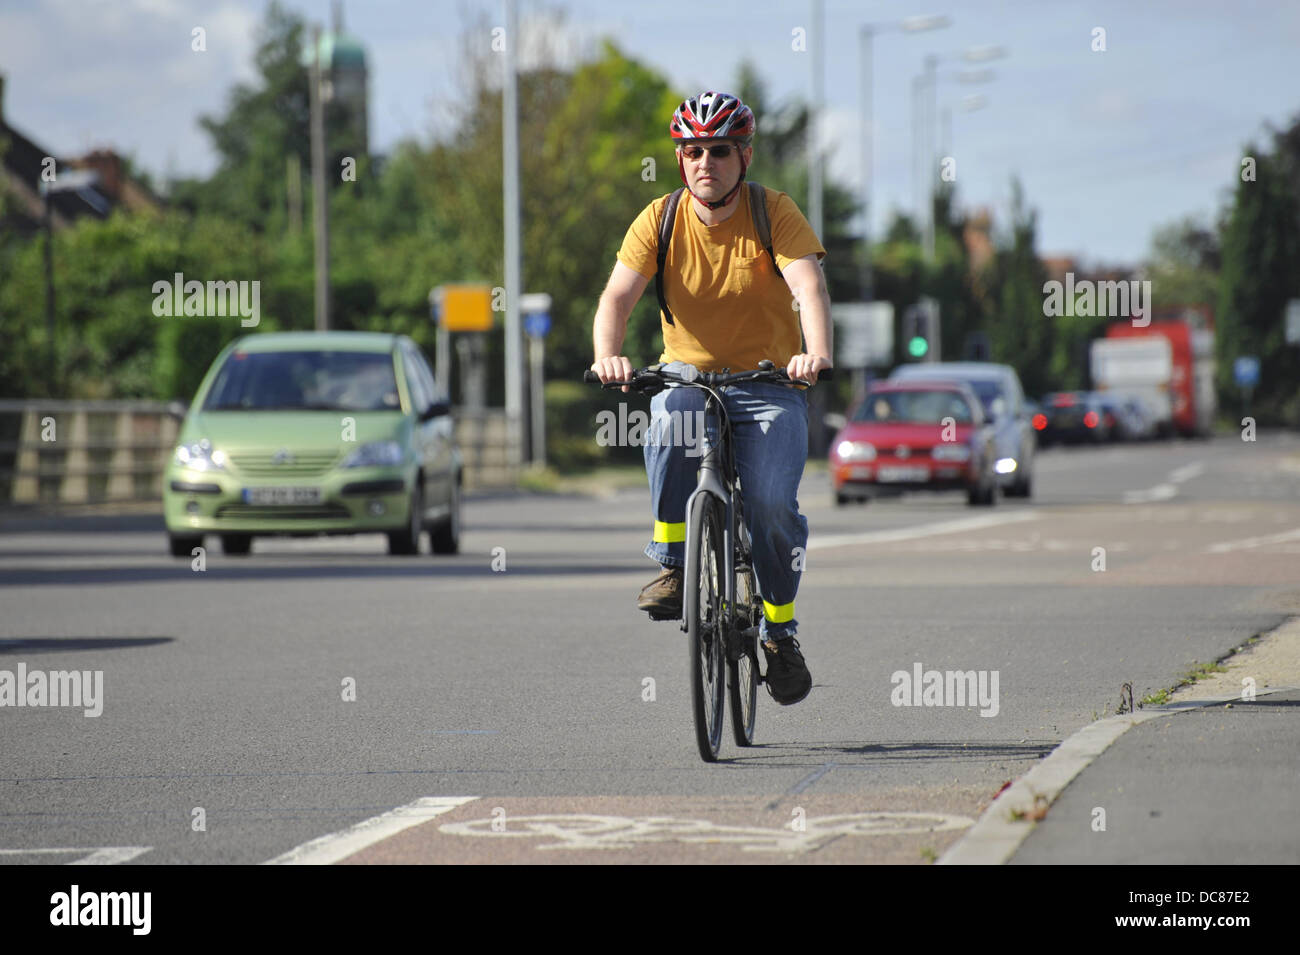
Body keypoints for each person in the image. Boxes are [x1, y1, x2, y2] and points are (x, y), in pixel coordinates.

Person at [589, 90, 833, 706]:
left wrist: (814, 351)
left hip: (768, 384)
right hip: (688, 380)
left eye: (719, 151)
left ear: (743, 156)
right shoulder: (660, 218)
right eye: (692, 151)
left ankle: (780, 630)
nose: (706, 162)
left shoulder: (773, 211)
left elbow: (807, 285)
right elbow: (616, 298)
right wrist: (608, 356)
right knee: (670, 420)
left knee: (774, 505)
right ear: (681, 160)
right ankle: (674, 562)